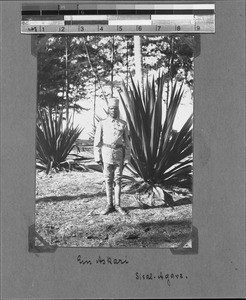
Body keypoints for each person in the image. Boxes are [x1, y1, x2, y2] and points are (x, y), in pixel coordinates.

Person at [94, 98, 131, 215]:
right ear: (108, 110)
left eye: (115, 109)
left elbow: (127, 143)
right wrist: (98, 158)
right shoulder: (102, 123)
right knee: (108, 180)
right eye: (111, 108)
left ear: (118, 110)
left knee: (118, 180)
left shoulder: (123, 124)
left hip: (119, 154)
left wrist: (127, 158)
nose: (113, 111)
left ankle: (118, 205)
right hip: (106, 154)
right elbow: (97, 143)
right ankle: (109, 205)